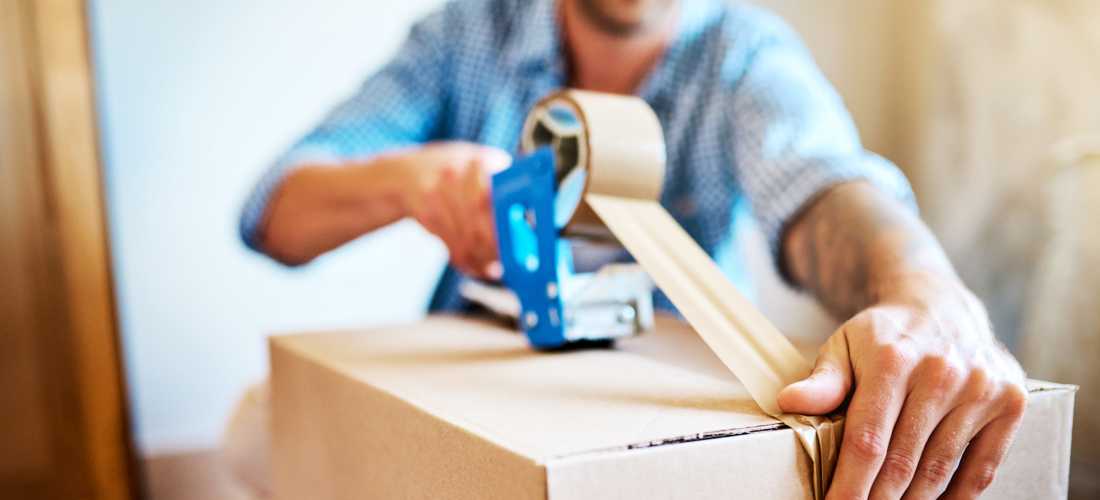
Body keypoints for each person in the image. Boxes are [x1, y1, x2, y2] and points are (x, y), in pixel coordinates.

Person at [235, 0, 1027, 498]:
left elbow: (823, 187)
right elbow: (274, 213)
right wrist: (413, 180)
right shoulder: (467, 34)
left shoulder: (741, 56)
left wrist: (924, 291)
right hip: (472, 382)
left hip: (661, 405)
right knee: (256, 426)